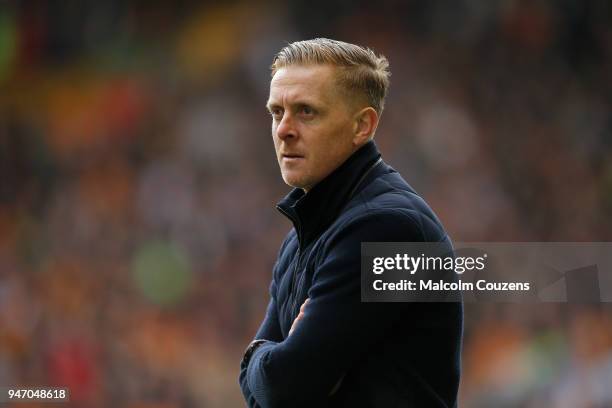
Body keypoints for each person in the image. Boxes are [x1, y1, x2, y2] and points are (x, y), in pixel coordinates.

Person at [239, 38, 462, 408]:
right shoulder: (303, 237)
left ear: (363, 125)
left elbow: (283, 386)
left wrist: (256, 356)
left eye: (306, 111)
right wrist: (269, 360)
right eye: (277, 112)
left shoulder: (386, 228)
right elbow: (264, 390)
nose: (284, 130)